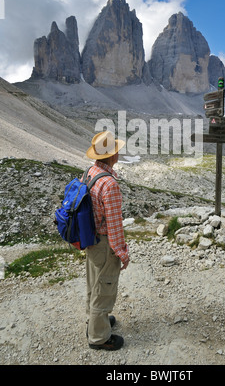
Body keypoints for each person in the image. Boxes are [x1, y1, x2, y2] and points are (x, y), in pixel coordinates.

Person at [84, 130, 129, 351]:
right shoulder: (109, 184)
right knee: (105, 287)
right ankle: (99, 338)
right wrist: (121, 252)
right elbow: (114, 225)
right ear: (112, 155)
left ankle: (95, 322)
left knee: (94, 284)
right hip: (103, 244)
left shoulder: (90, 172)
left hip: (90, 240)